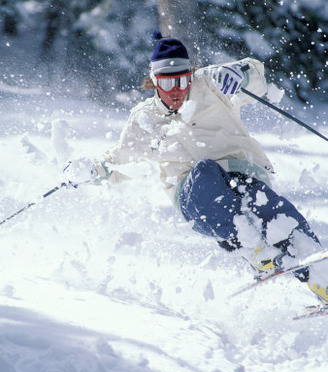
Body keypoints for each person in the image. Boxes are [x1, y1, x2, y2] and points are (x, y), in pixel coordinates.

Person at [64, 31, 328, 306]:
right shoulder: (144, 120)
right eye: (167, 83)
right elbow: (117, 161)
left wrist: (241, 75)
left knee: (277, 215)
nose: (176, 90)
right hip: (194, 197)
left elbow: (256, 75)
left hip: (242, 173)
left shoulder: (210, 84)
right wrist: (92, 170)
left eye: (181, 80)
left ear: (191, 74)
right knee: (204, 172)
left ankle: (323, 280)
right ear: (154, 82)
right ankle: (253, 251)